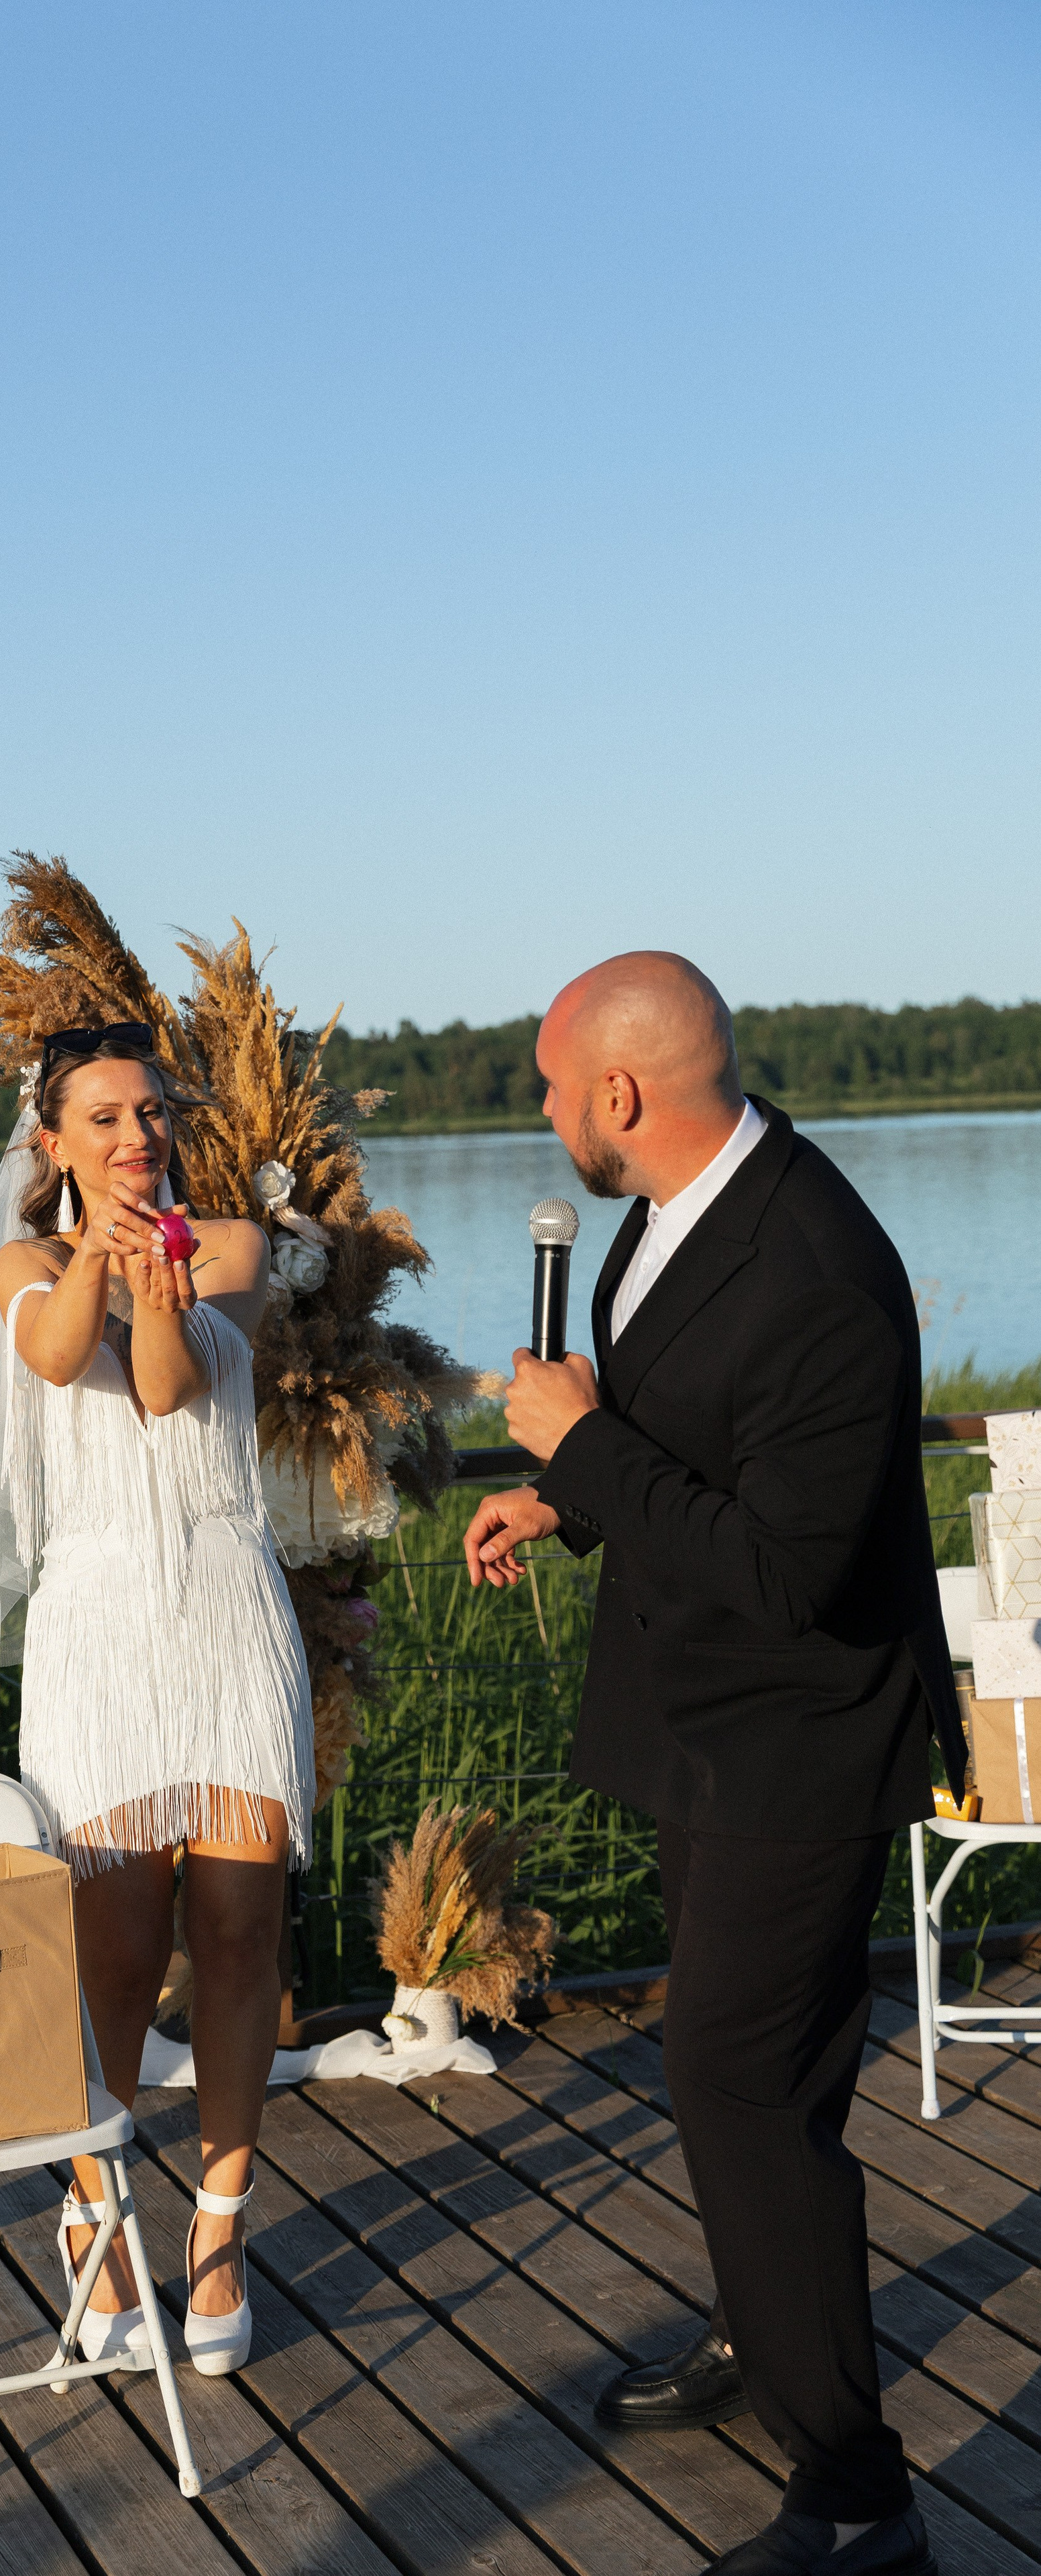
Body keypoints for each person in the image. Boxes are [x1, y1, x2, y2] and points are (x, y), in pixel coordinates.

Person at [463, 954, 963, 2576]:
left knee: (734, 2077)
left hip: (798, 1738)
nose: (542, 1114)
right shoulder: (669, 1211)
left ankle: (856, 2497)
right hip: (700, 1724)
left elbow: (791, 1570)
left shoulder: (816, 1264)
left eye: (550, 1086)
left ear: (618, 1093)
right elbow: (699, 1440)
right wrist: (567, 1498)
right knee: (774, 2078)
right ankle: (768, 2335)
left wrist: (577, 1446)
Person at [0, 1022, 311, 2377]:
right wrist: (99, 1258)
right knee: (110, 1950)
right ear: (50, 1141)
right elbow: (56, 1359)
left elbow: (163, 1387)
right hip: (100, 1620)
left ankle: (217, 2225)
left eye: (152, 1113)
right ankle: (94, 2206)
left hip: (225, 1604)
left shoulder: (227, 1244)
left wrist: (152, 1263)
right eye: (102, 1118)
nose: (134, 1138)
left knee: (236, 1929)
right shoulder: (22, 1261)